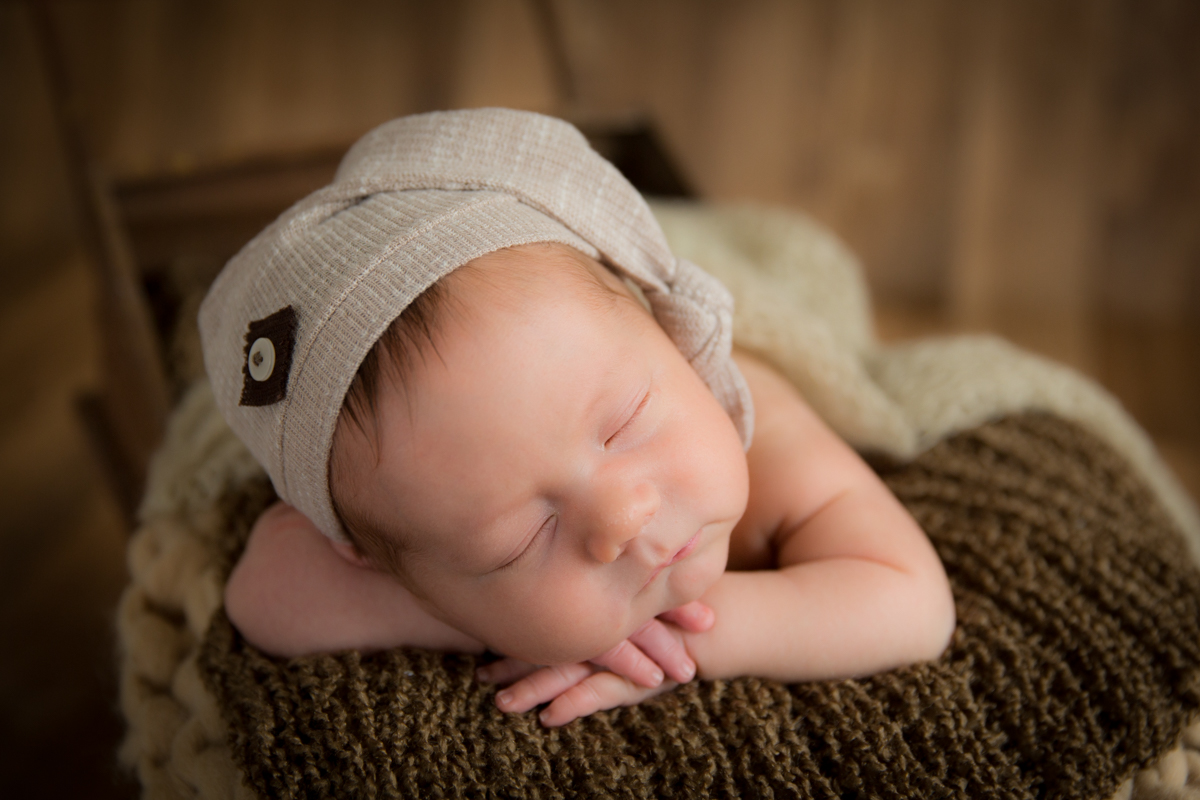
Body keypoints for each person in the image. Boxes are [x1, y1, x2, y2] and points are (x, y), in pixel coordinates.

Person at [200, 108, 955, 728]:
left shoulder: (760, 436)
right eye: (520, 539)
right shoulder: (414, 524)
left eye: (626, 422)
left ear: (673, 342)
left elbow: (910, 600)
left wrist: (682, 641)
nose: (623, 514)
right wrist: (482, 613)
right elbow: (263, 590)